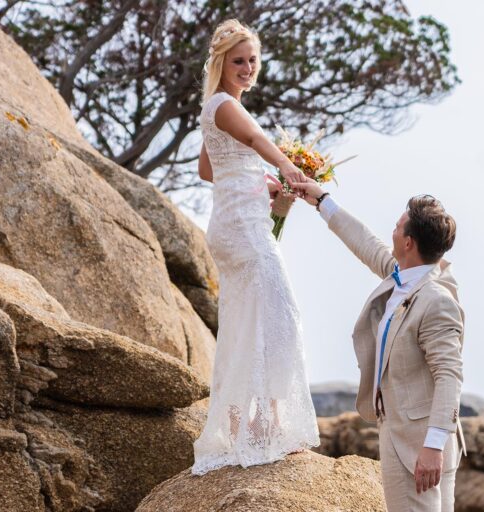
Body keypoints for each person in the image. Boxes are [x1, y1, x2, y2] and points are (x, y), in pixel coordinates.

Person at [191, 19, 319, 476]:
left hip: (232, 227)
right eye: (238, 60)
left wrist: (262, 184)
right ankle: (269, 431)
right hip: (243, 234)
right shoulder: (225, 105)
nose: (247, 68)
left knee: (245, 326)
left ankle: (244, 429)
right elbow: (256, 141)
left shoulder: (215, 107)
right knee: (279, 318)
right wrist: (293, 173)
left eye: (252, 60)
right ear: (222, 63)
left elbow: (211, 170)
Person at [292, 181, 466, 512]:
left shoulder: (435, 299)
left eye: (398, 227)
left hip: (418, 444)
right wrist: (323, 202)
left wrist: (432, 446)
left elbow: (450, 377)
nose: (392, 232)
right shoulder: (406, 276)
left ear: (409, 242)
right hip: (412, 437)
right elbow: (366, 244)